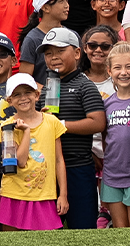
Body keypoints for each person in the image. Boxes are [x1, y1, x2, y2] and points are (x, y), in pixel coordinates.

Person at [39, 28, 107, 230]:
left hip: (77, 168)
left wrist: (60, 125)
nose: (54, 57)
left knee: (83, 228)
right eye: (48, 53)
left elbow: (97, 122)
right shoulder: (48, 86)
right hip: (48, 170)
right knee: (50, 229)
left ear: (77, 53)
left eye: (60, 51)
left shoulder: (85, 86)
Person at [0, 73, 67, 231]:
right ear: (9, 101)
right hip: (13, 193)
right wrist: (26, 132)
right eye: (17, 94)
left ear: (37, 95)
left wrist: (63, 195)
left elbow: (59, 160)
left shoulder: (52, 121)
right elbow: (19, 161)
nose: (23, 98)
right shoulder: (7, 126)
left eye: (27, 92)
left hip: (44, 194)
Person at [100, 44, 130, 228]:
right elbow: (107, 138)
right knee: (120, 231)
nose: (123, 72)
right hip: (112, 176)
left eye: (129, 67)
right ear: (109, 70)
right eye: (118, 68)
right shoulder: (107, 103)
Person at [18, 0, 70, 82]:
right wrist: (49, 92)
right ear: (45, 8)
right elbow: (25, 80)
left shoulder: (72, 36)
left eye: (67, 0)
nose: (66, 5)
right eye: (61, 1)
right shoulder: (32, 40)